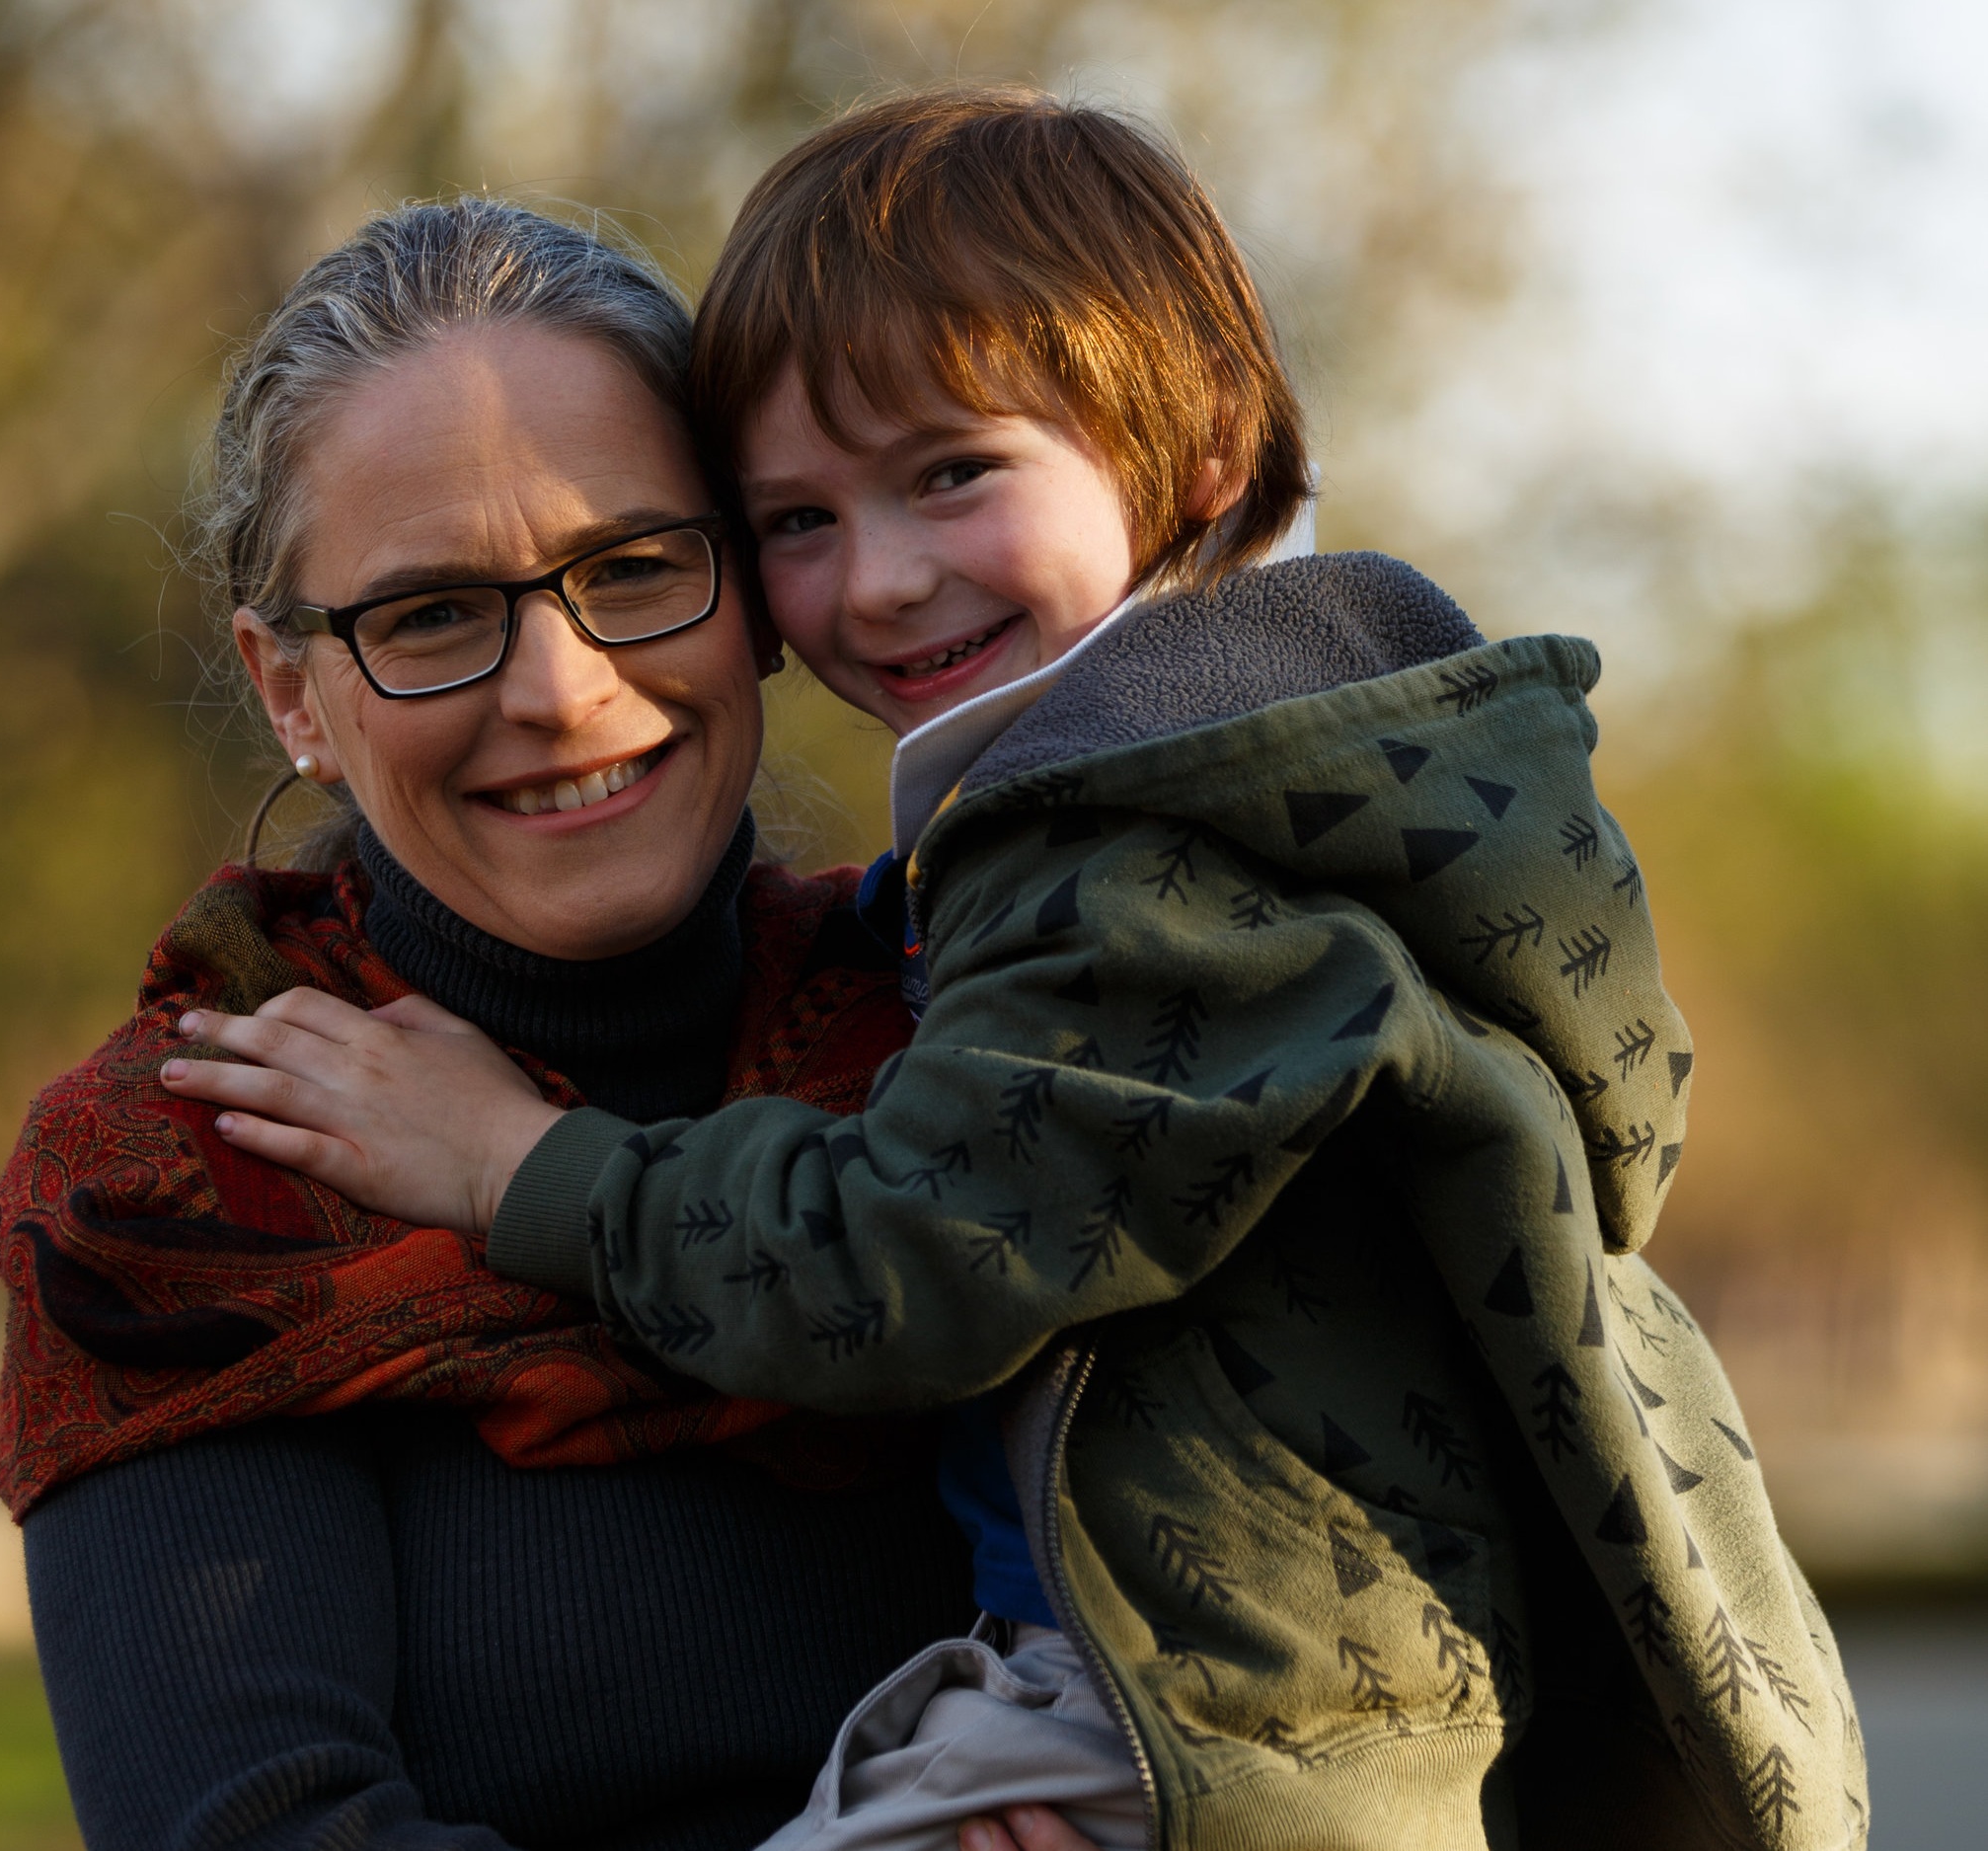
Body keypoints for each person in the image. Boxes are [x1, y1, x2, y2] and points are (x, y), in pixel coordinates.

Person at [163, 91, 1868, 1851]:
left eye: (951, 474)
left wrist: (524, 1170)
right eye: (797, 522)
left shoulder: (1150, 883)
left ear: (1198, 459)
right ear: (287, 680)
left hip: (1204, 1738)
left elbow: (911, 1246)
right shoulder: (186, 1175)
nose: (881, 580)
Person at [0, 194, 1125, 1851]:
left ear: (759, 584)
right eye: (432, 613)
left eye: (637, 566)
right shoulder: (181, 1179)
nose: (561, 688)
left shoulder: (991, 1046)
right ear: (292, 687)